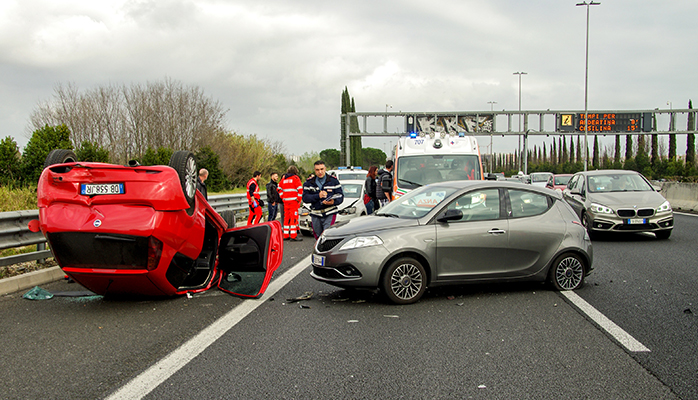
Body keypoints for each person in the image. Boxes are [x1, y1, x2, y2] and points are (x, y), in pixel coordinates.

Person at [303, 160, 343, 238]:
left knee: (327, 234)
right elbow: (305, 198)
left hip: (329, 213)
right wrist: (318, 196)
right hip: (315, 213)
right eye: (317, 170)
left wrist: (333, 202)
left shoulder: (333, 181)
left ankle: (328, 250)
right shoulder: (309, 183)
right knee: (318, 237)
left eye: (322, 169)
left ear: (325, 169)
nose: (320, 172)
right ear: (314, 170)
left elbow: (340, 196)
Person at [278, 166, 303, 241]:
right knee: (293, 218)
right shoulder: (295, 178)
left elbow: (279, 188)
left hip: (286, 202)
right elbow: (300, 189)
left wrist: (283, 197)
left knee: (286, 218)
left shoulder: (284, 179)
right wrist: (298, 199)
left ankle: (285, 235)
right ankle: (293, 235)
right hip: (293, 202)